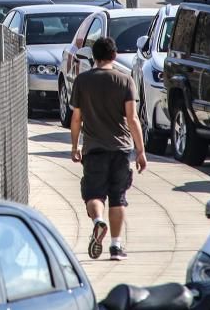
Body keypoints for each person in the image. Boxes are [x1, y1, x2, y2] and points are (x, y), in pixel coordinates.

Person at [70, 37, 147, 262]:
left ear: (94, 56)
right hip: (121, 148)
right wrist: (140, 151)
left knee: (93, 194)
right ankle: (115, 246)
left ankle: (97, 221)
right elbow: (132, 119)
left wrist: (75, 146)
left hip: (94, 148)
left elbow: (76, 118)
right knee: (118, 197)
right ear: (114, 56)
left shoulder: (82, 81)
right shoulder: (125, 81)